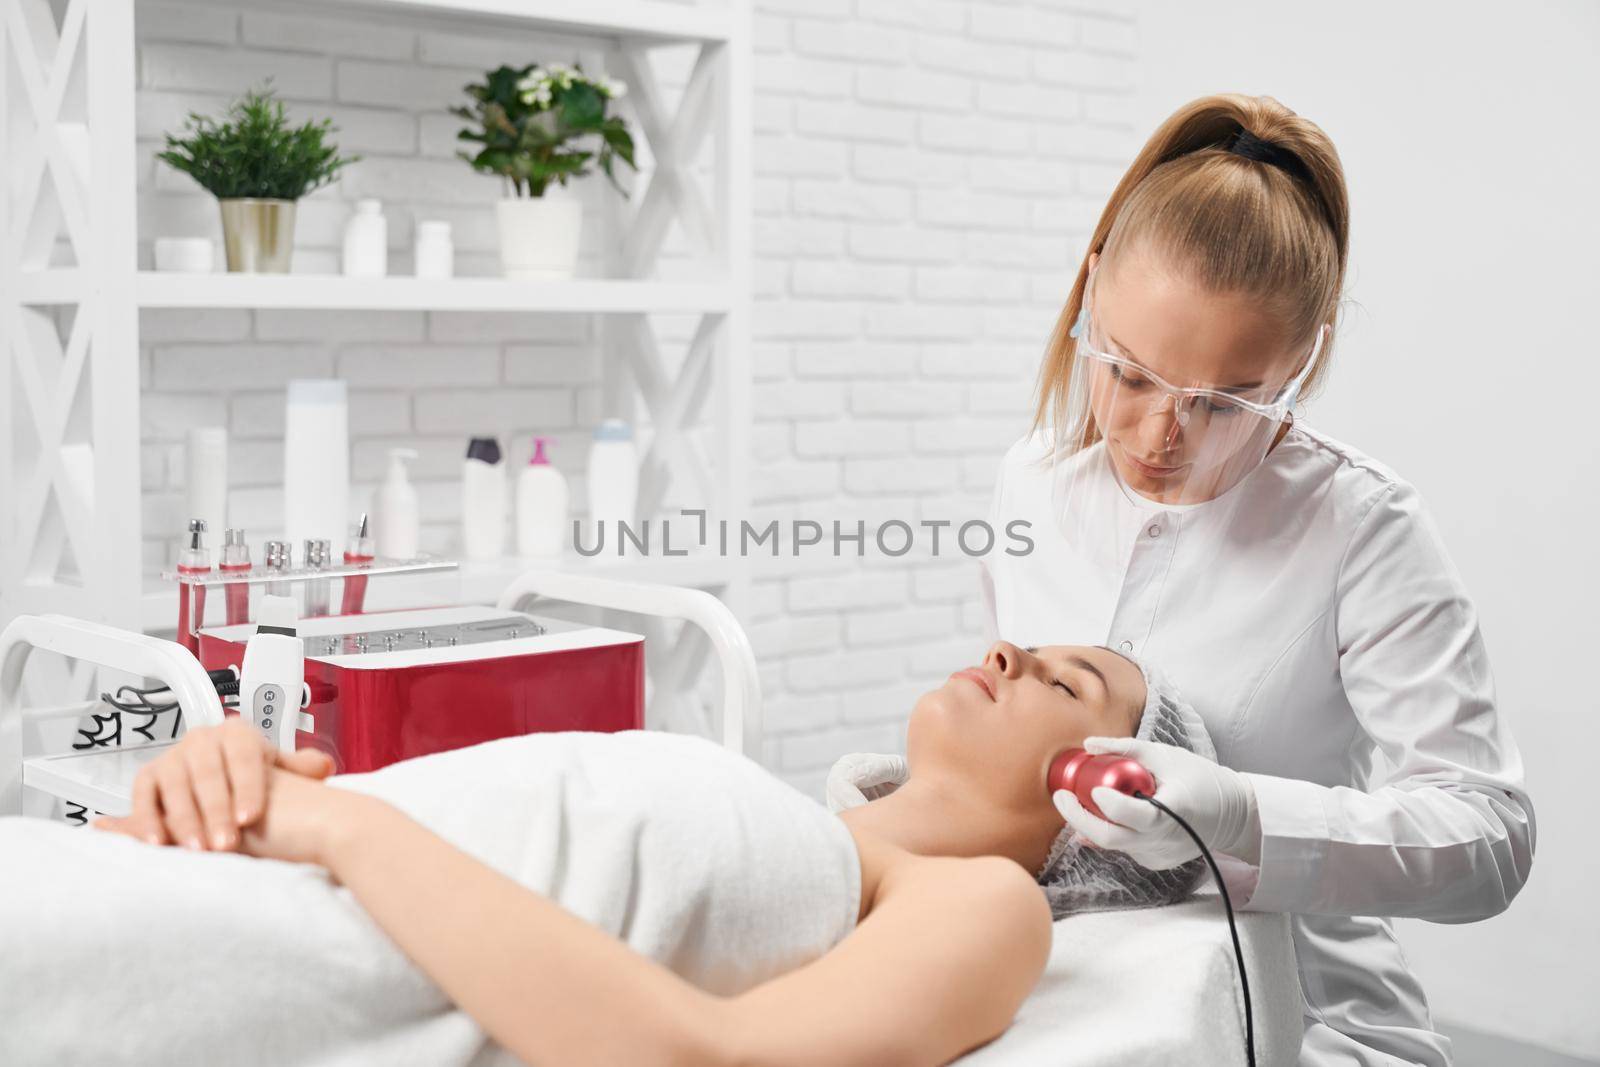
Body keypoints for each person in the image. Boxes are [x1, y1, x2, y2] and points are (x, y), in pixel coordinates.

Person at [832, 93, 1534, 1066]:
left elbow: (1489, 838)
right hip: (1067, 978)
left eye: (1223, 401)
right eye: (1125, 371)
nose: (1162, 434)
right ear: (1087, 297)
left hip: (1307, 1017)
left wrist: (1249, 818)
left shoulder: (1359, 527)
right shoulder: (1030, 482)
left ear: (1307, 357)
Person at [3, 642, 1206, 1067]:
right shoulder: (788, 814)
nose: (1004, 649)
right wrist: (228, 782)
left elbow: (715, 1057)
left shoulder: (986, 899)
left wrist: (340, 825)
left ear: (1106, 802)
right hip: (182, 872)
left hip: (247, 951)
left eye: (1064, 678)